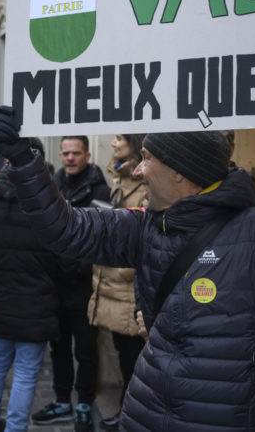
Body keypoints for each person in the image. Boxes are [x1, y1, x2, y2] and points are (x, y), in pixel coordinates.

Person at [0, 92, 255, 431]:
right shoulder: (145, 228)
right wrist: (26, 163)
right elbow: (65, 230)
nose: (137, 171)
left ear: (181, 174)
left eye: (147, 157)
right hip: (145, 415)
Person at [0, 139, 63, 432]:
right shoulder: (50, 203)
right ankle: (15, 428)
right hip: (38, 300)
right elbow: (64, 256)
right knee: (26, 372)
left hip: (1, 298)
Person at [30, 135, 110, 430]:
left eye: (76, 153)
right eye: (65, 153)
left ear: (87, 155)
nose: (70, 158)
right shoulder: (53, 184)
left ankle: (85, 404)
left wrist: (77, 265)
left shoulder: (100, 189)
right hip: (55, 286)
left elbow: (103, 237)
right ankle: (63, 402)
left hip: (85, 286)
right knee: (59, 349)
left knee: (86, 352)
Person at [89, 134, 147, 431]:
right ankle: (128, 412)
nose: (113, 143)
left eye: (120, 138)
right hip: (113, 280)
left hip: (129, 284)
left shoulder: (145, 181)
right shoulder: (119, 177)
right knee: (125, 354)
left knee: (135, 358)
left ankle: (131, 416)